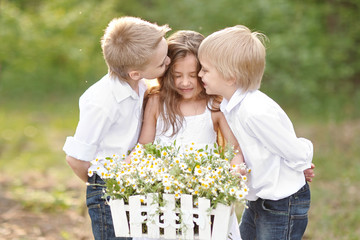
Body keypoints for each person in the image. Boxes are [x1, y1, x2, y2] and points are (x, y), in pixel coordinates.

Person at [198, 25, 314, 240]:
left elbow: (295, 151)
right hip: (260, 199)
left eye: (205, 69)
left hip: (282, 202)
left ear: (230, 77)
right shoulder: (229, 105)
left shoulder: (254, 112)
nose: (199, 74)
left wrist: (303, 163)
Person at [63, 16, 171, 240]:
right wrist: (101, 184)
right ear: (135, 73)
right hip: (108, 189)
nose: (168, 62)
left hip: (135, 182)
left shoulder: (141, 84)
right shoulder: (102, 102)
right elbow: (76, 159)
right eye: (162, 63)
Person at [135, 30, 245, 240]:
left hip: (205, 198)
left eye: (192, 75)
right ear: (167, 74)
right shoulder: (157, 101)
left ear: (204, 72)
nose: (185, 82)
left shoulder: (214, 105)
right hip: (163, 197)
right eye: (177, 75)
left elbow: (234, 149)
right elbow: (143, 145)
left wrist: (236, 167)